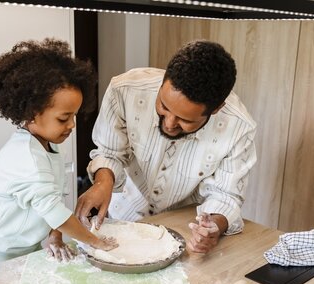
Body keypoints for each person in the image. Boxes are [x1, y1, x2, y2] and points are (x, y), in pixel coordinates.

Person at [75, 40, 256, 254]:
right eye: (163, 106)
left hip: (183, 230)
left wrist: (212, 227)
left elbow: (226, 195)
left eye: (184, 119)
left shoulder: (238, 127)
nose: (169, 123)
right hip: (122, 214)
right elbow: (110, 152)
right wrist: (102, 183)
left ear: (216, 109)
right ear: (163, 82)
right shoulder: (124, 91)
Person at [0, 38, 117, 262]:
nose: (72, 125)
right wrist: (95, 242)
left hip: (25, 246)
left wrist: (56, 238)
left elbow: (54, 203)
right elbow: (57, 214)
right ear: (30, 113)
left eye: (74, 116)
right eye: (64, 118)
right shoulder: (27, 159)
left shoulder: (51, 146)